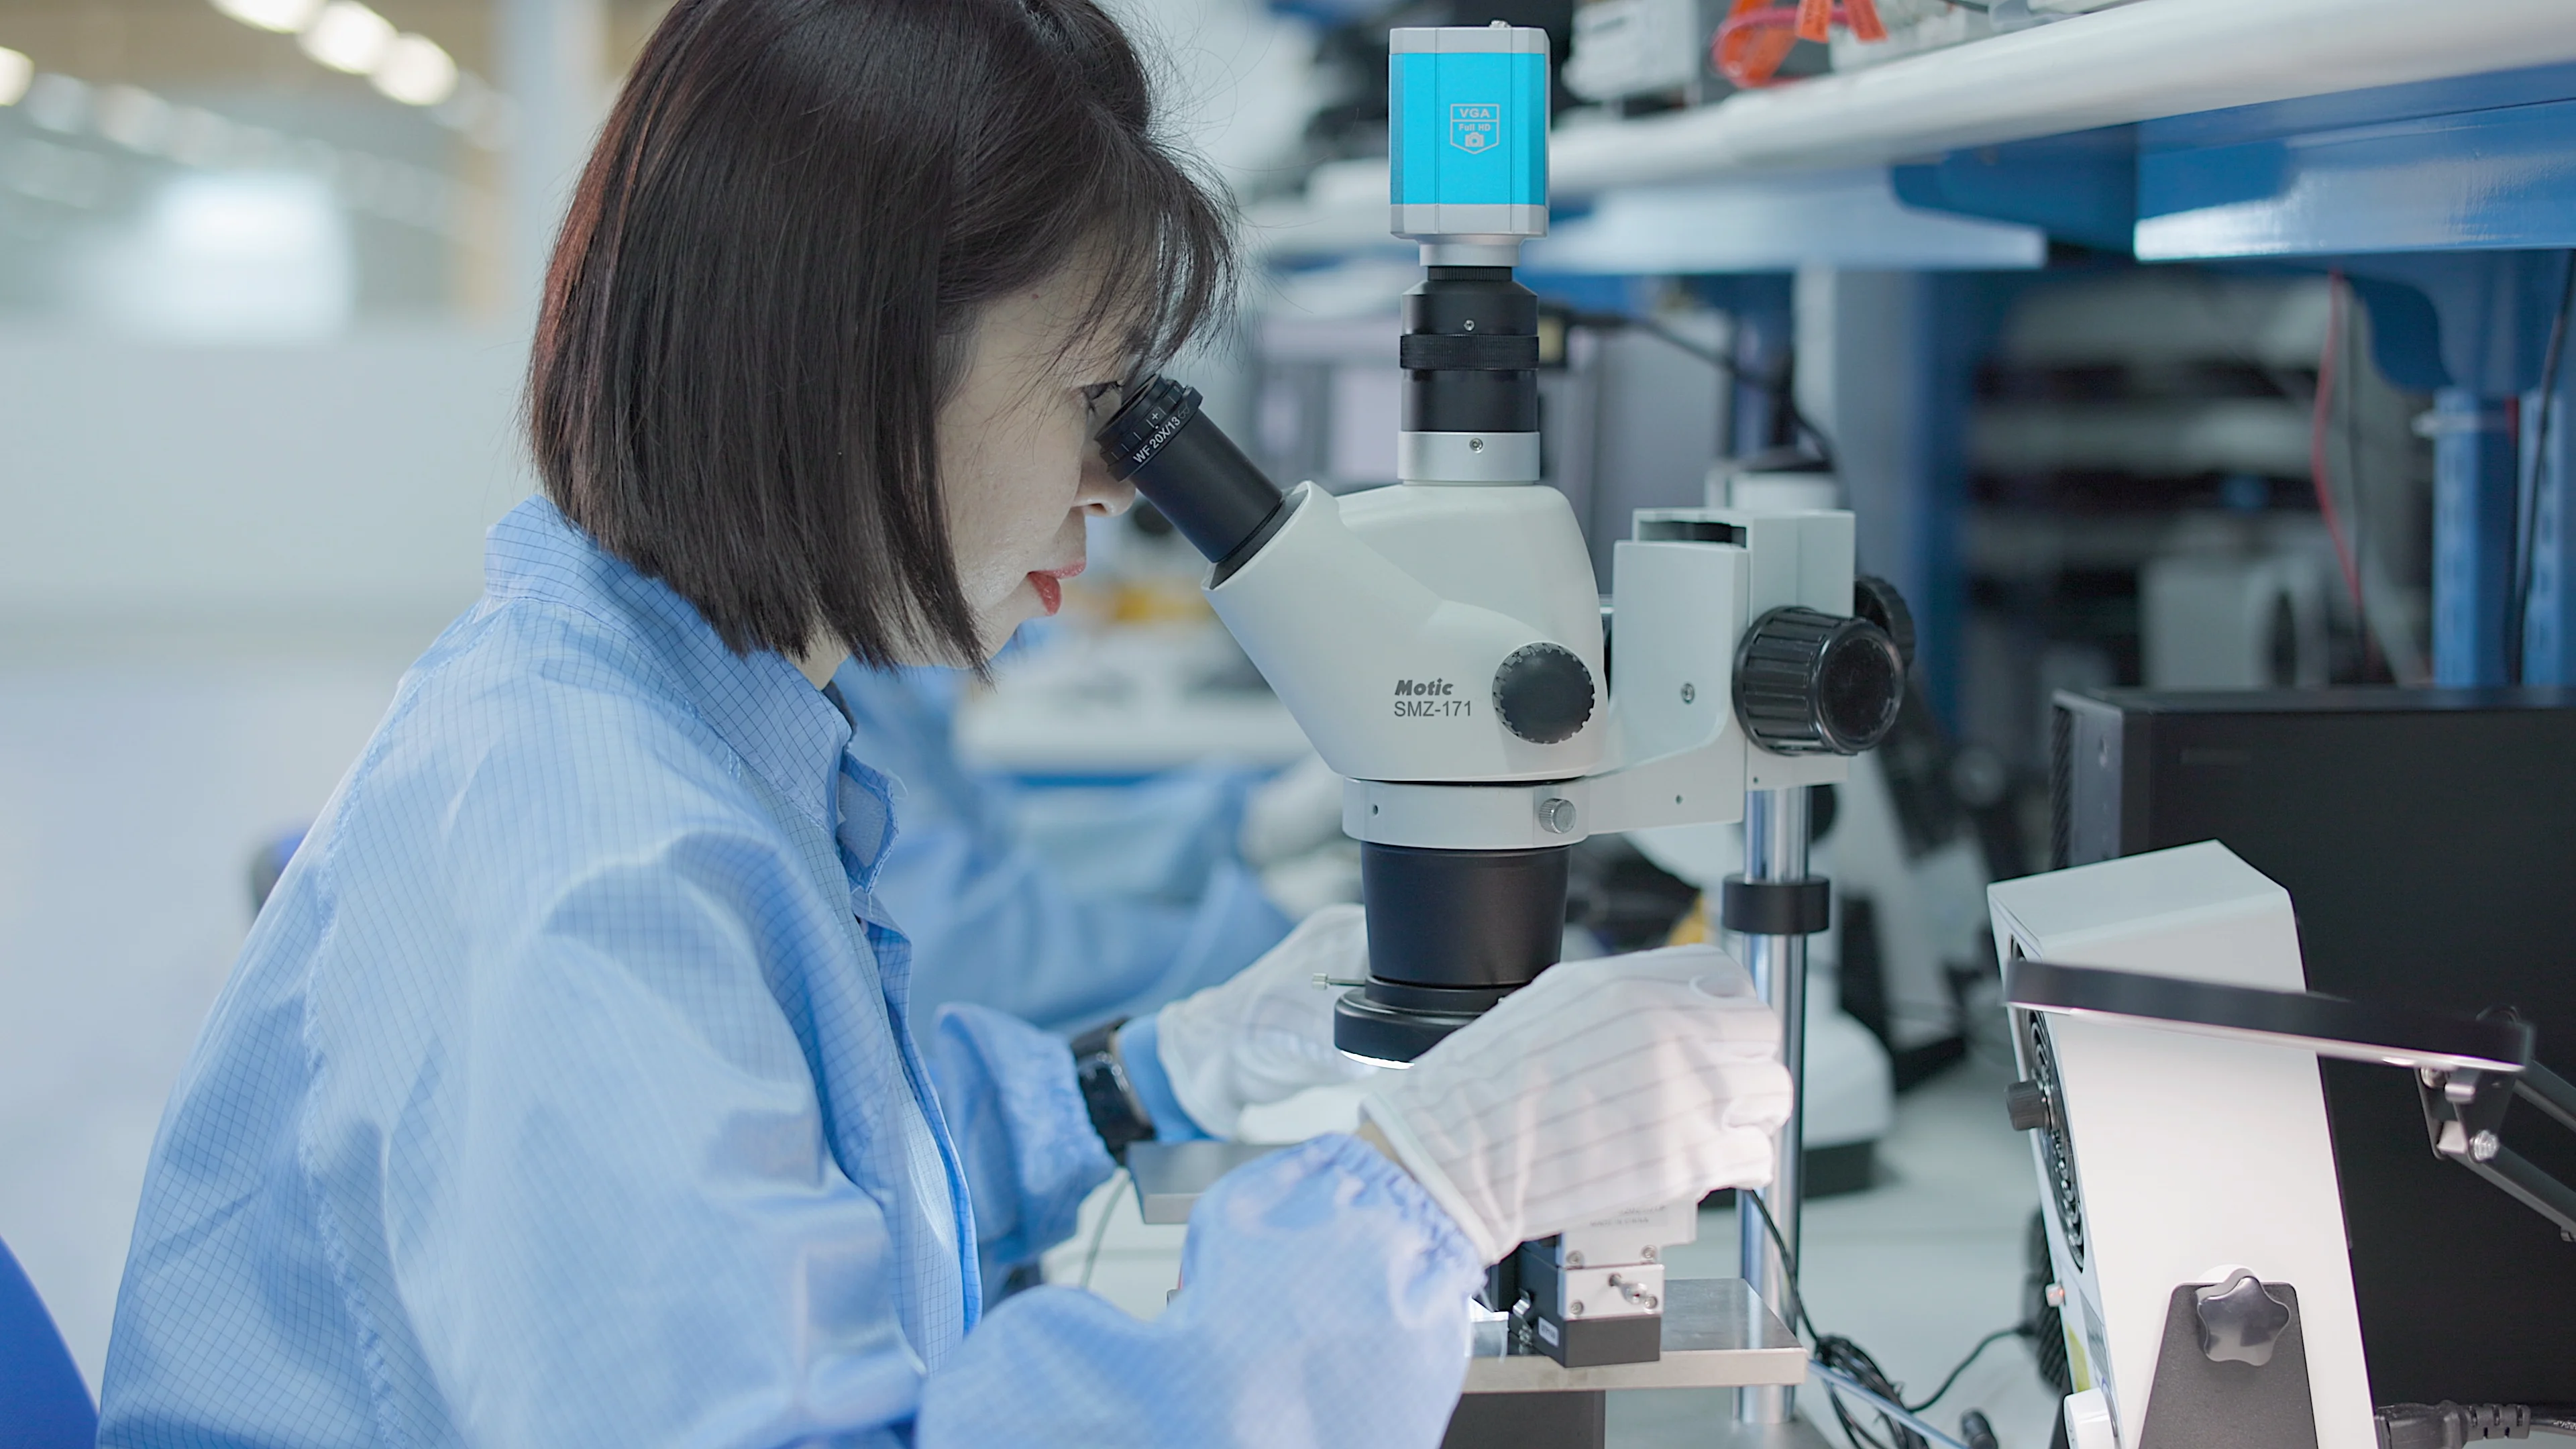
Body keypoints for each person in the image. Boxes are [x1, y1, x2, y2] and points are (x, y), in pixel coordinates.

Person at [95, 3, 1795, 1445]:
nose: (1119, 488)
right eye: (1092, 396)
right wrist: (1418, 1199)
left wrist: (1145, 1083)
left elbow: (808, 1184)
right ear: (851, 359)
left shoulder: (678, 716)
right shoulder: (592, 864)